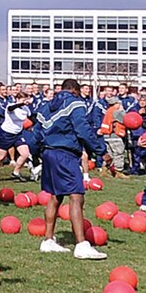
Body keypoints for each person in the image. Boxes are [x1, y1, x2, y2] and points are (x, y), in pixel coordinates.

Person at [33, 77, 108, 260]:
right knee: (76, 196)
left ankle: (48, 240)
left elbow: (36, 133)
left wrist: (37, 155)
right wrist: (101, 151)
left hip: (48, 153)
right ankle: (81, 244)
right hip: (65, 154)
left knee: (55, 196)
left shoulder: (45, 107)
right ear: (74, 90)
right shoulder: (75, 103)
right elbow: (83, 129)